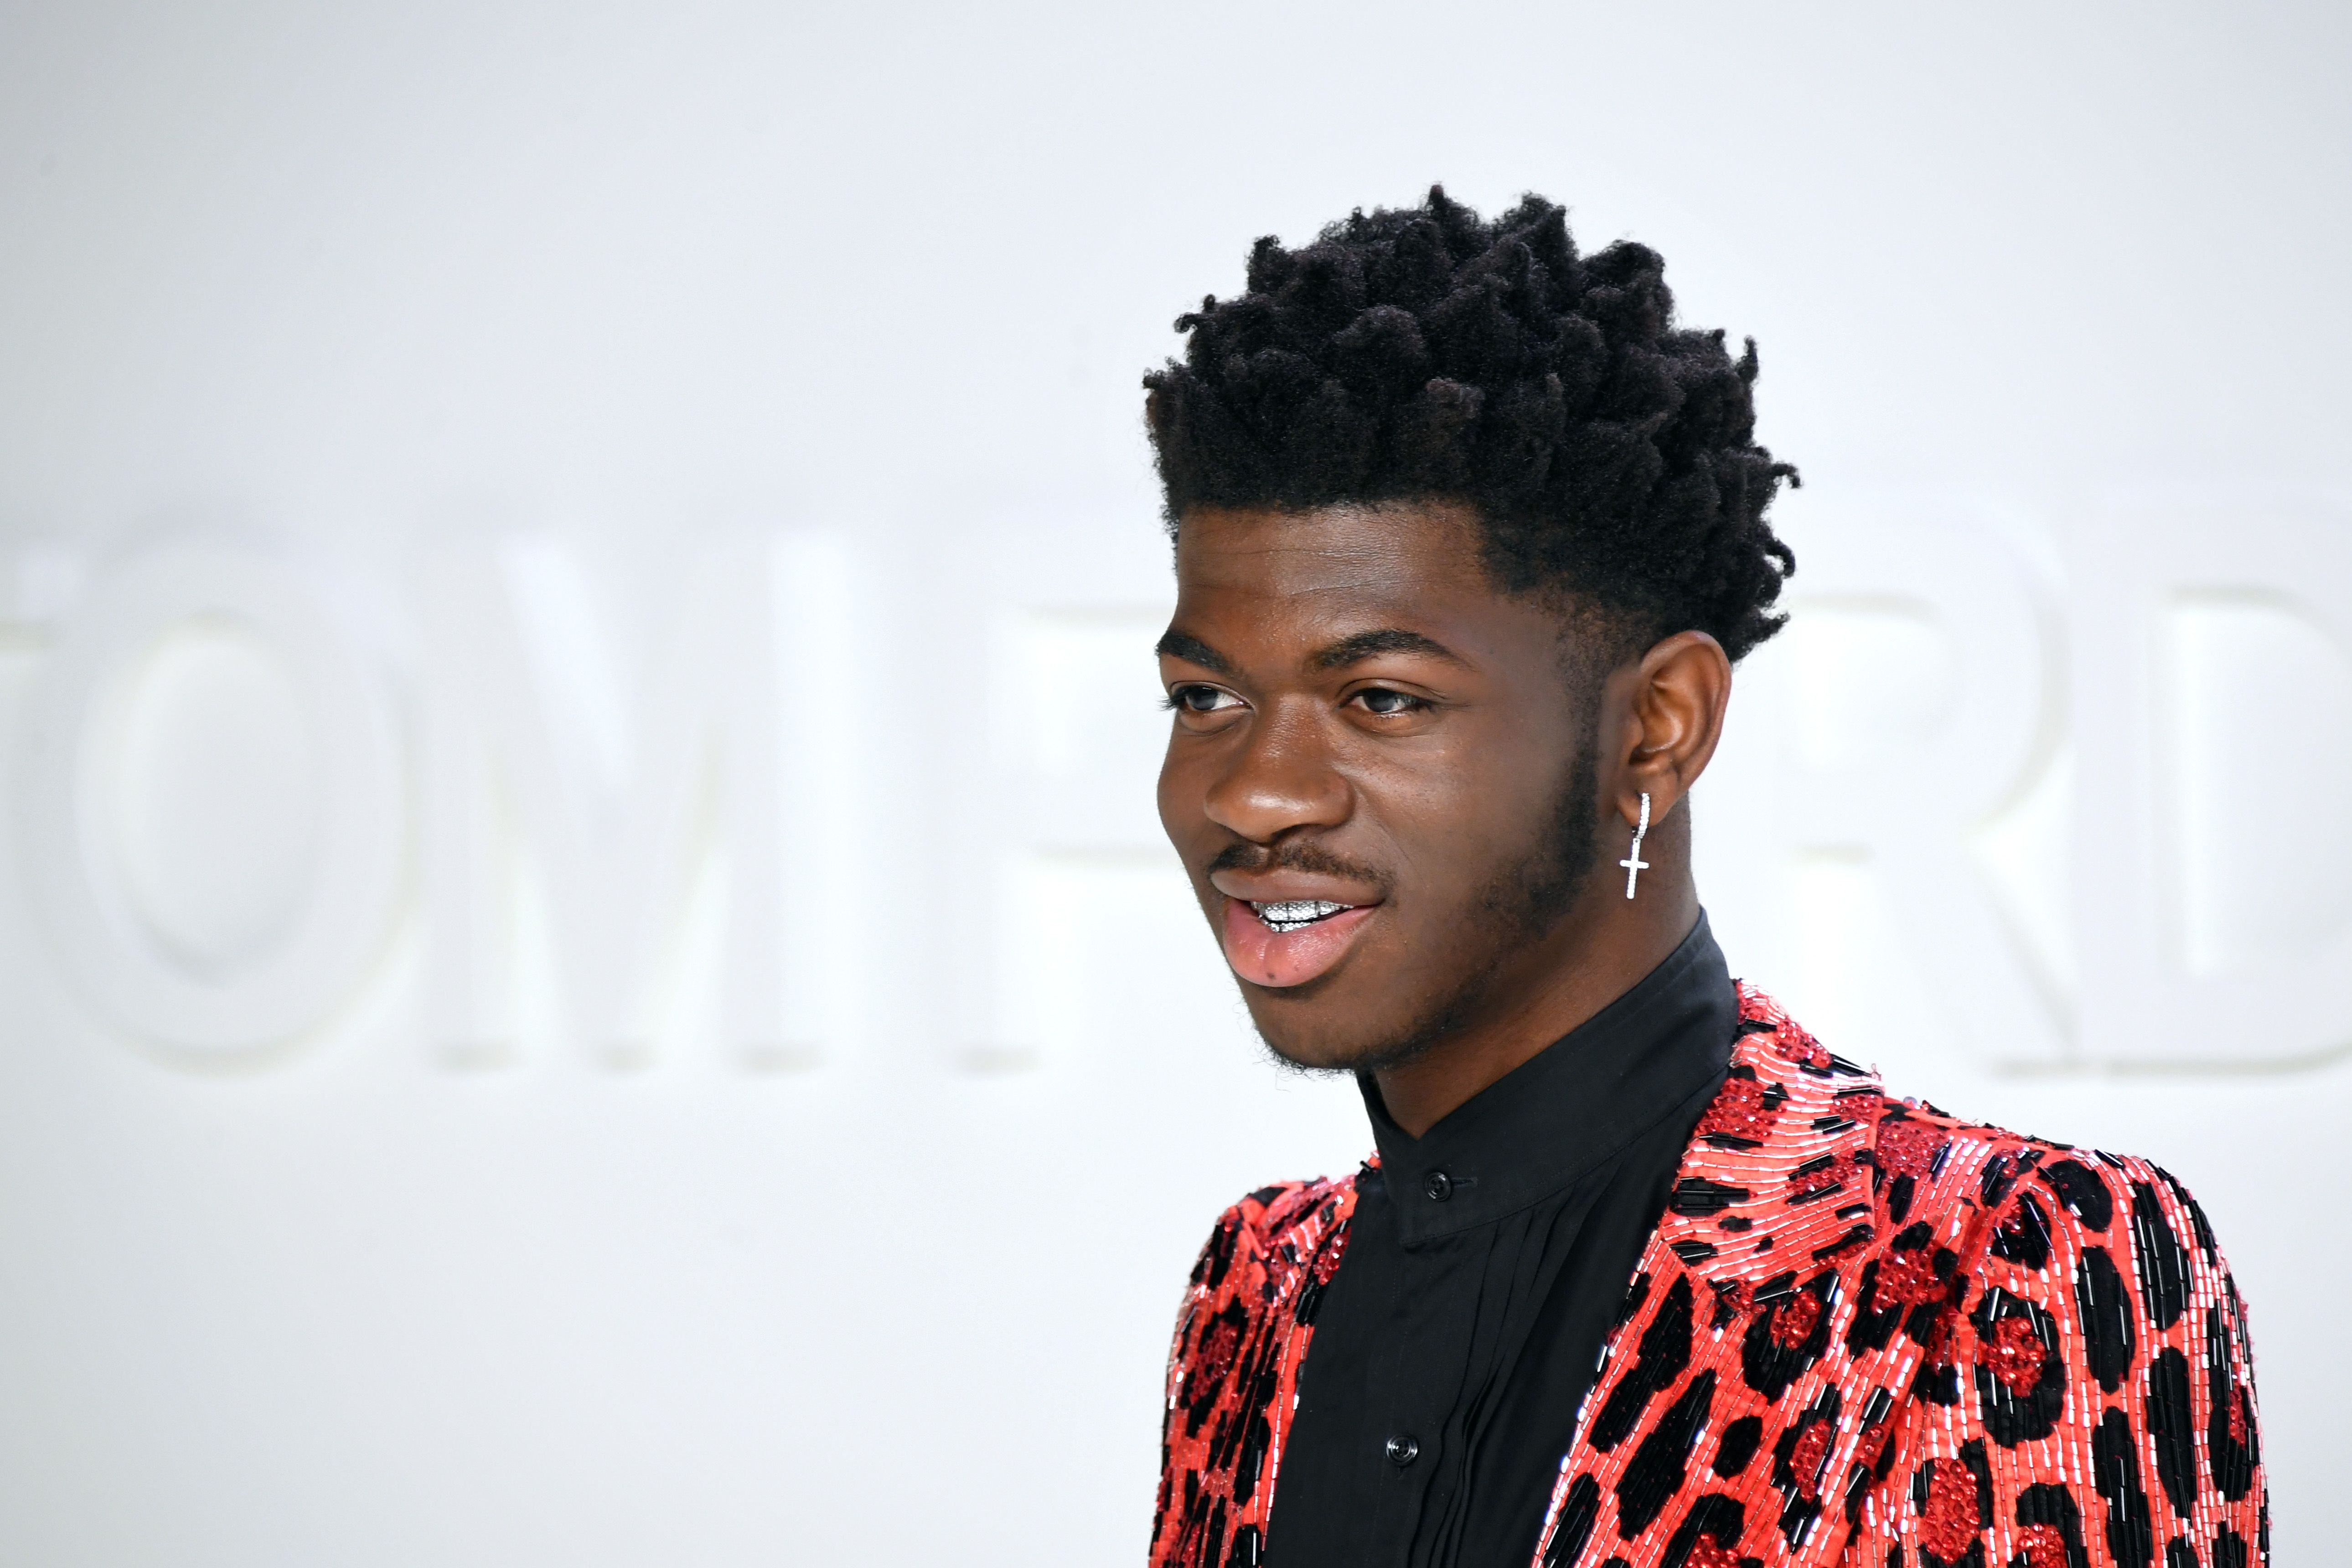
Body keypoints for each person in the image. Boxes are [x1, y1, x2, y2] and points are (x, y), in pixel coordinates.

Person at [1139, 189, 2265, 1568]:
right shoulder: (1258, 1294)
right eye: (1205, 699)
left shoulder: (1992, 1267)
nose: (1252, 795)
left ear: (1656, 729)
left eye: (1381, 699)